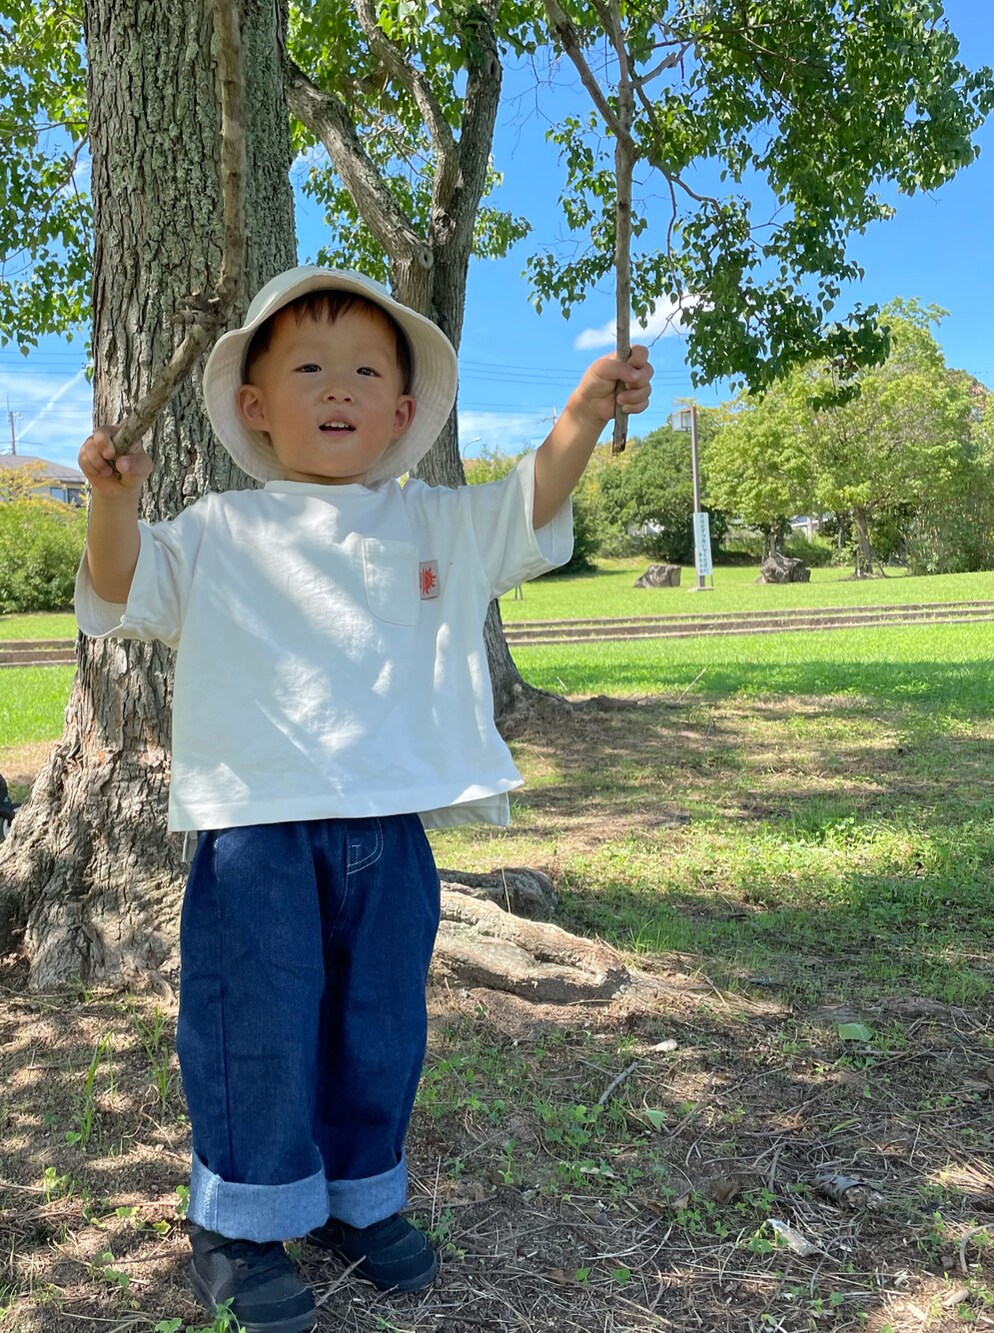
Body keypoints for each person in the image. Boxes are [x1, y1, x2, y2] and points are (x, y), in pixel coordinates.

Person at [76, 265, 652, 1333]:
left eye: (364, 371)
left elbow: (531, 500)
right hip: (255, 829)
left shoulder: (433, 522)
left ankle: (354, 1197)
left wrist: (581, 409)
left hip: (390, 825)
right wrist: (115, 501)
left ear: (400, 411)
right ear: (254, 405)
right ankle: (240, 1223)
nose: (336, 388)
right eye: (306, 367)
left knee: (377, 1023)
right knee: (258, 1024)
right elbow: (117, 591)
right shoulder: (215, 529)